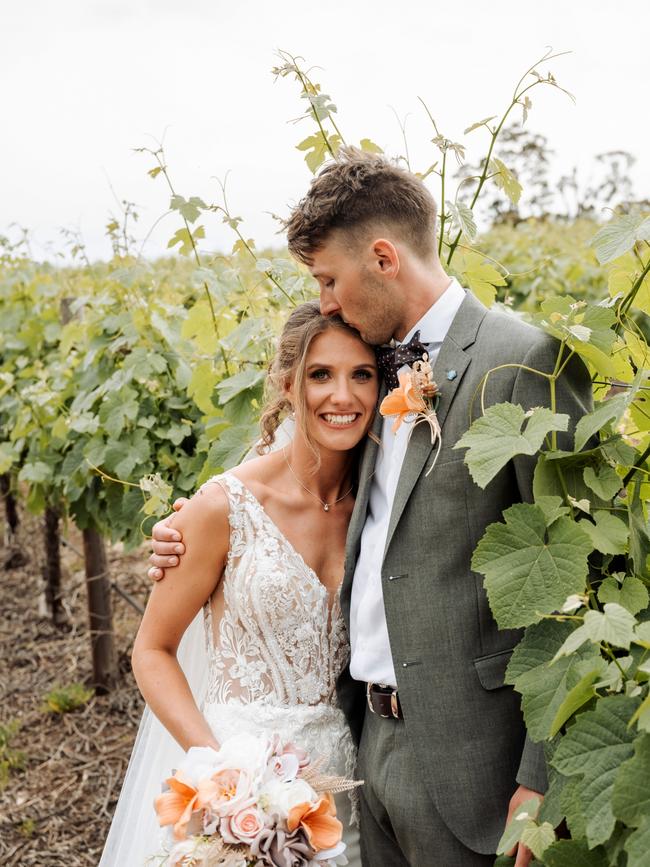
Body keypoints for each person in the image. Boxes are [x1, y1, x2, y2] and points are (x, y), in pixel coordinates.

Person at [150, 148, 593, 866]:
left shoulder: (523, 360)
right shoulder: (371, 370)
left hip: (476, 768)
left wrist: (541, 779)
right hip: (362, 748)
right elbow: (301, 497)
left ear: (383, 257)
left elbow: (574, 581)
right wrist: (185, 525)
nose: (325, 301)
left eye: (329, 278)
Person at [100, 301, 378, 866]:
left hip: (348, 789)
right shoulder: (222, 506)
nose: (342, 397)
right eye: (320, 375)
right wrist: (224, 774)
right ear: (285, 382)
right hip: (236, 784)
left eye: (362, 375)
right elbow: (151, 651)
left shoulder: (382, 505)